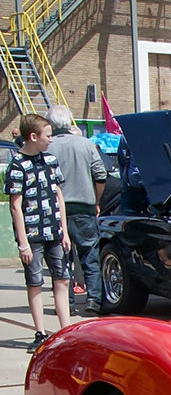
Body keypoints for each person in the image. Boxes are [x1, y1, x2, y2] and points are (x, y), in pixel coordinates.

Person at [6, 113, 71, 351]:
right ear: (33, 137)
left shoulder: (50, 160)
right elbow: (16, 205)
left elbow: (58, 195)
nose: (51, 140)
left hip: (54, 229)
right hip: (33, 233)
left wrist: (64, 230)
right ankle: (40, 331)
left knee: (62, 278)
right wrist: (23, 242)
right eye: (48, 135)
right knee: (35, 282)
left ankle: (66, 330)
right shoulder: (17, 165)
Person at [46, 105, 106, 313]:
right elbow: (101, 175)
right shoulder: (85, 144)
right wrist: (96, 201)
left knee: (61, 260)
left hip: (55, 211)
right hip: (84, 207)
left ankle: (67, 303)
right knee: (89, 255)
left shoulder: (47, 147)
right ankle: (94, 299)